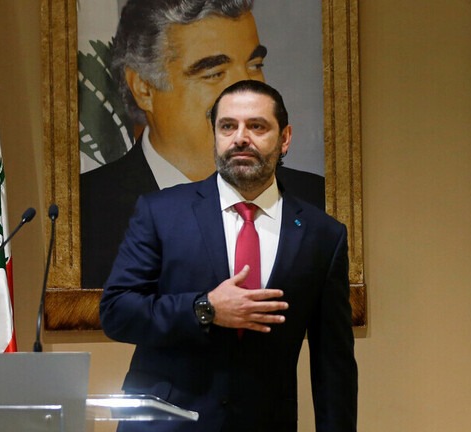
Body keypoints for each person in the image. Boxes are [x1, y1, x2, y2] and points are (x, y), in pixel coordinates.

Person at [99, 80, 357, 432]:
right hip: (165, 425)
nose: (240, 138)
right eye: (227, 126)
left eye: (257, 126)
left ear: (284, 138)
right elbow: (117, 313)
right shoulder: (161, 212)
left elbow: (334, 364)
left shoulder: (322, 235)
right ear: (216, 136)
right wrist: (204, 309)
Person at [80, 0, 325, 287]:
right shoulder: (86, 211)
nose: (246, 92)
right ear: (144, 88)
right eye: (214, 73)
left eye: (254, 65)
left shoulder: (314, 199)